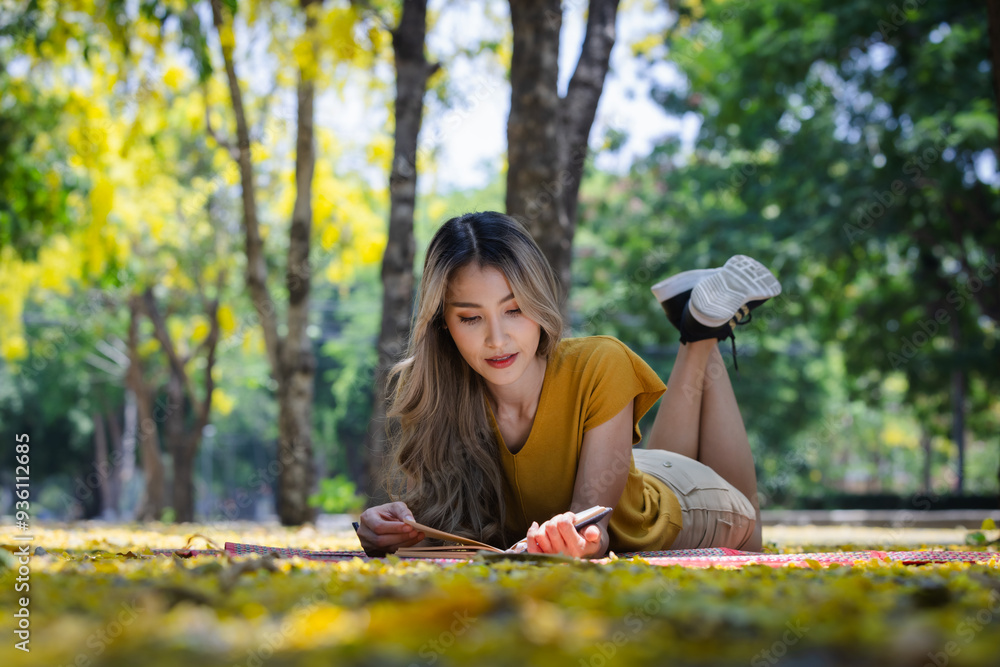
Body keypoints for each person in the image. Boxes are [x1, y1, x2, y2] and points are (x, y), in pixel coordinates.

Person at [356, 211, 782, 558]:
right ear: (443, 324)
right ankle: (699, 324)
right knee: (646, 473)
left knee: (751, 534)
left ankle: (702, 332)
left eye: (515, 310)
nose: (497, 339)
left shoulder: (600, 362)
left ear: (540, 304)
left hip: (683, 500)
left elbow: (593, 530)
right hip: (632, 473)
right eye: (470, 317)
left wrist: (583, 540)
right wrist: (397, 530)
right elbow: (451, 529)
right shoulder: (437, 391)